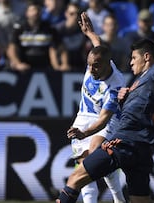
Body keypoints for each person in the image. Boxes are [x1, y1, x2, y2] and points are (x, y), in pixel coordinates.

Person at [56, 23, 154, 203]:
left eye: (134, 58)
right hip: (142, 149)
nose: (131, 62)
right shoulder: (138, 82)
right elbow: (138, 107)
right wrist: (122, 100)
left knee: (74, 179)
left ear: (147, 57)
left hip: (125, 142)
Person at [66, 12, 126, 203]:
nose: (91, 70)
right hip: (84, 115)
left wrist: (84, 134)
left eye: (96, 66)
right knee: (84, 166)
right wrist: (90, 32)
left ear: (108, 64)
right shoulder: (96, 60)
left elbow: (103, 119)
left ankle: (118, 199)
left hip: (107, 120)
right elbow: (98, 44)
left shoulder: (116, 84)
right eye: (89, 65)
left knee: (94, 153)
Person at [6, 0, 60, 71]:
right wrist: (18, 64)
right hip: (24, 69)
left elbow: (56, 48)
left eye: (38, 10)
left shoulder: (49, 29)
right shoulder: (19, 29)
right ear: (27, 13)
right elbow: (11, 48)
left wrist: (57, 67)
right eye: (33, 10)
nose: (36, 13)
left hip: (46, 68)